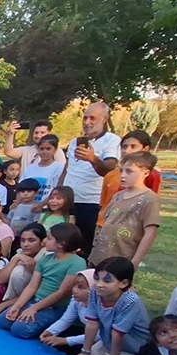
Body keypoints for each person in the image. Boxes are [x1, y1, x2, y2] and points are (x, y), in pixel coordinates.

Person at [0, 223, 87, 338]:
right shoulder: (45, 259)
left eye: (49, 238)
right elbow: (32, 286)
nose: (44, 241)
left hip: (55, 307)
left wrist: (34, 308)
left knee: (19, 330)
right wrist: (17, 306)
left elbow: (62, 292)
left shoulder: (76, 262)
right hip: (36, 300)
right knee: (2, 321)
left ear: (61, 244)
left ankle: (52, 329)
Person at [68, 257, 151, 355]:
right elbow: (92, 323)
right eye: (96, 278)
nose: (99, 284)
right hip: (107, 343)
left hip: (132, 348)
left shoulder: (130, 301)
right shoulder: (94, 292)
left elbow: (118, 333)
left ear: (123, 283)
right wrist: (85, 352)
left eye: (107, 281)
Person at [57, 102, 121, 257]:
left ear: (105, 119)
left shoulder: (112, 141)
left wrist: (93, 159)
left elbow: (109, 170)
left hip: (91, 203)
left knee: (85, 247)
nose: (87, 122)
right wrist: (58, 191)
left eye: (92, 118)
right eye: (85, 118)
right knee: (63, 245)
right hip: (69, 201)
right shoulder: (75, 142)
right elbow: (67, 168)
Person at [89, 151, 161, 266]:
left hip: (122, 259)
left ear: (145, 173)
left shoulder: (149, 199)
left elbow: (150, 233)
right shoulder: (118, 195)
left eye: (129, 171)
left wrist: (135, 261)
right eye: (121, 170)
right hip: (100, 256)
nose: (122, 175)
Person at [97, 130, 162, 225]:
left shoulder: (151, 175)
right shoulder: (111, 175)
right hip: (104, 225)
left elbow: (151, 205)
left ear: (145, 149)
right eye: (124, 146)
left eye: (133, 146)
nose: (127, 150)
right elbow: (103, 204)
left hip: (131, 227)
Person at [39, 268, 96, 353]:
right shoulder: (76, 300)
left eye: (81, 287)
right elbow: (66, 320)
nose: (75, 290)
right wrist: (50, 331)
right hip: (87, 331)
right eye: (74, 286)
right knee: (57, 337)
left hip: (101, 338)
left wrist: (65, 341)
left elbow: (99, 335)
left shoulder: (100, 307)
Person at [0, 223, 48, 310]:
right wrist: (17, 258)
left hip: (37, 300)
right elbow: (1, 280)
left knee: (19, 271)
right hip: (18, 300)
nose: (25, 244)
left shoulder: (47, 256)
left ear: (43, 242)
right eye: (23, 240)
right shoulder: (20, 253)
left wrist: (6, 304)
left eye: (31, 240)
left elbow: (40, 289)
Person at [2, 120, 66, 176]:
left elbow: (62, 172)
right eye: (36, 133)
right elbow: (8, 152)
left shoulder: (57, 151)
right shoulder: (26, 150)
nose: (38, 136)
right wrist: (11, 134)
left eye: (42, 133)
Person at [23, 135, 66, 203]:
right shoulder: (30, 168)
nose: (44, 152)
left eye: (48, 149)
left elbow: (58, 190)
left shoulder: (59, 168)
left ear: (55, 150)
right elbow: (21, 188)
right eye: (42, 149)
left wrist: (42, 205)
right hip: (29, 206)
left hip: (48, 207)